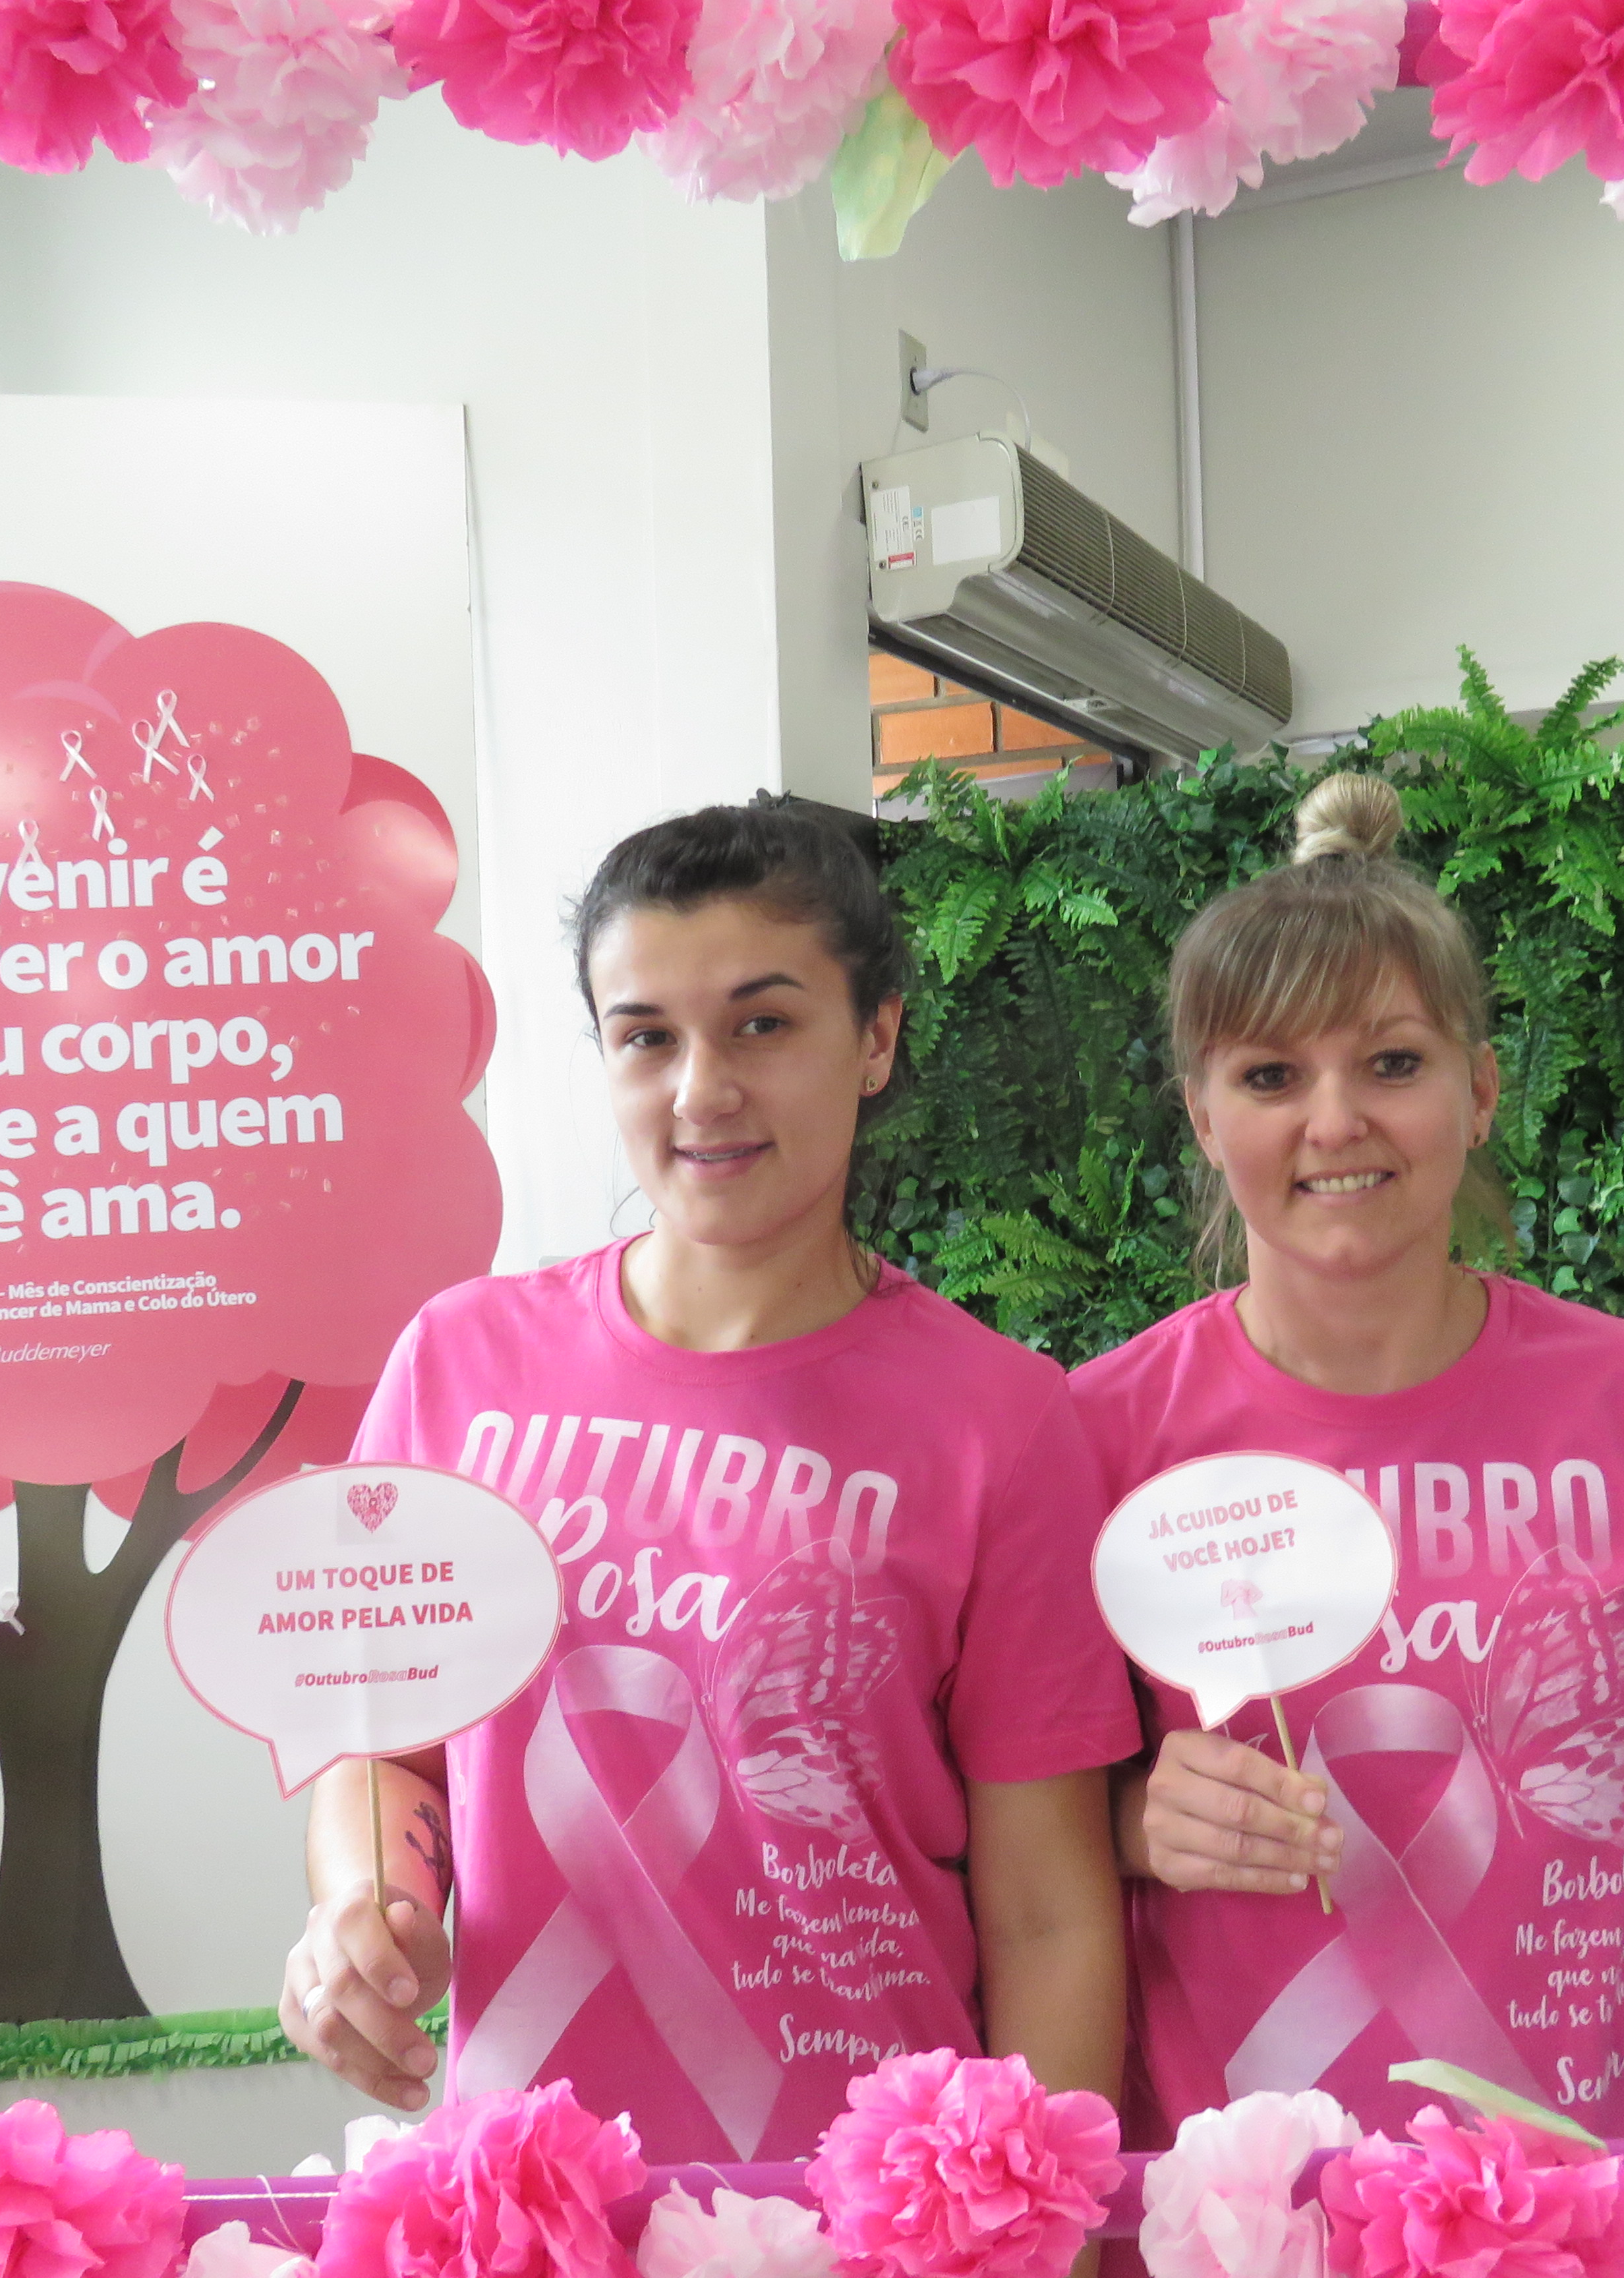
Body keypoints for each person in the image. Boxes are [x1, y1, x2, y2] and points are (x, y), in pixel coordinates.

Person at [279, 798, 1136, 2164]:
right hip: (527, 2205)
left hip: (874, 2209)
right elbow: (386, 1743)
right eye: (647, 1038)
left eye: (762, 1024)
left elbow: (1049, 1916)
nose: (701, 1091)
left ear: (877, 1038)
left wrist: (1036, 2227)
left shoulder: (1002, 1420)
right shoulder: (459, 1364)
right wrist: (362, 1909)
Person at [1070, 773, 1624, 2144]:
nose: (1335, 1122)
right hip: (1240, 2199)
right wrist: (1133, 1824)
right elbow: (1017, 1833)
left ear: (1479, 1092)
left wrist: (1543, 1888)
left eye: (1393, 1064)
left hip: (1594, 2178)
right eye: (1271, 1076)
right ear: (1203, 1119)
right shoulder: (1098, 1437)